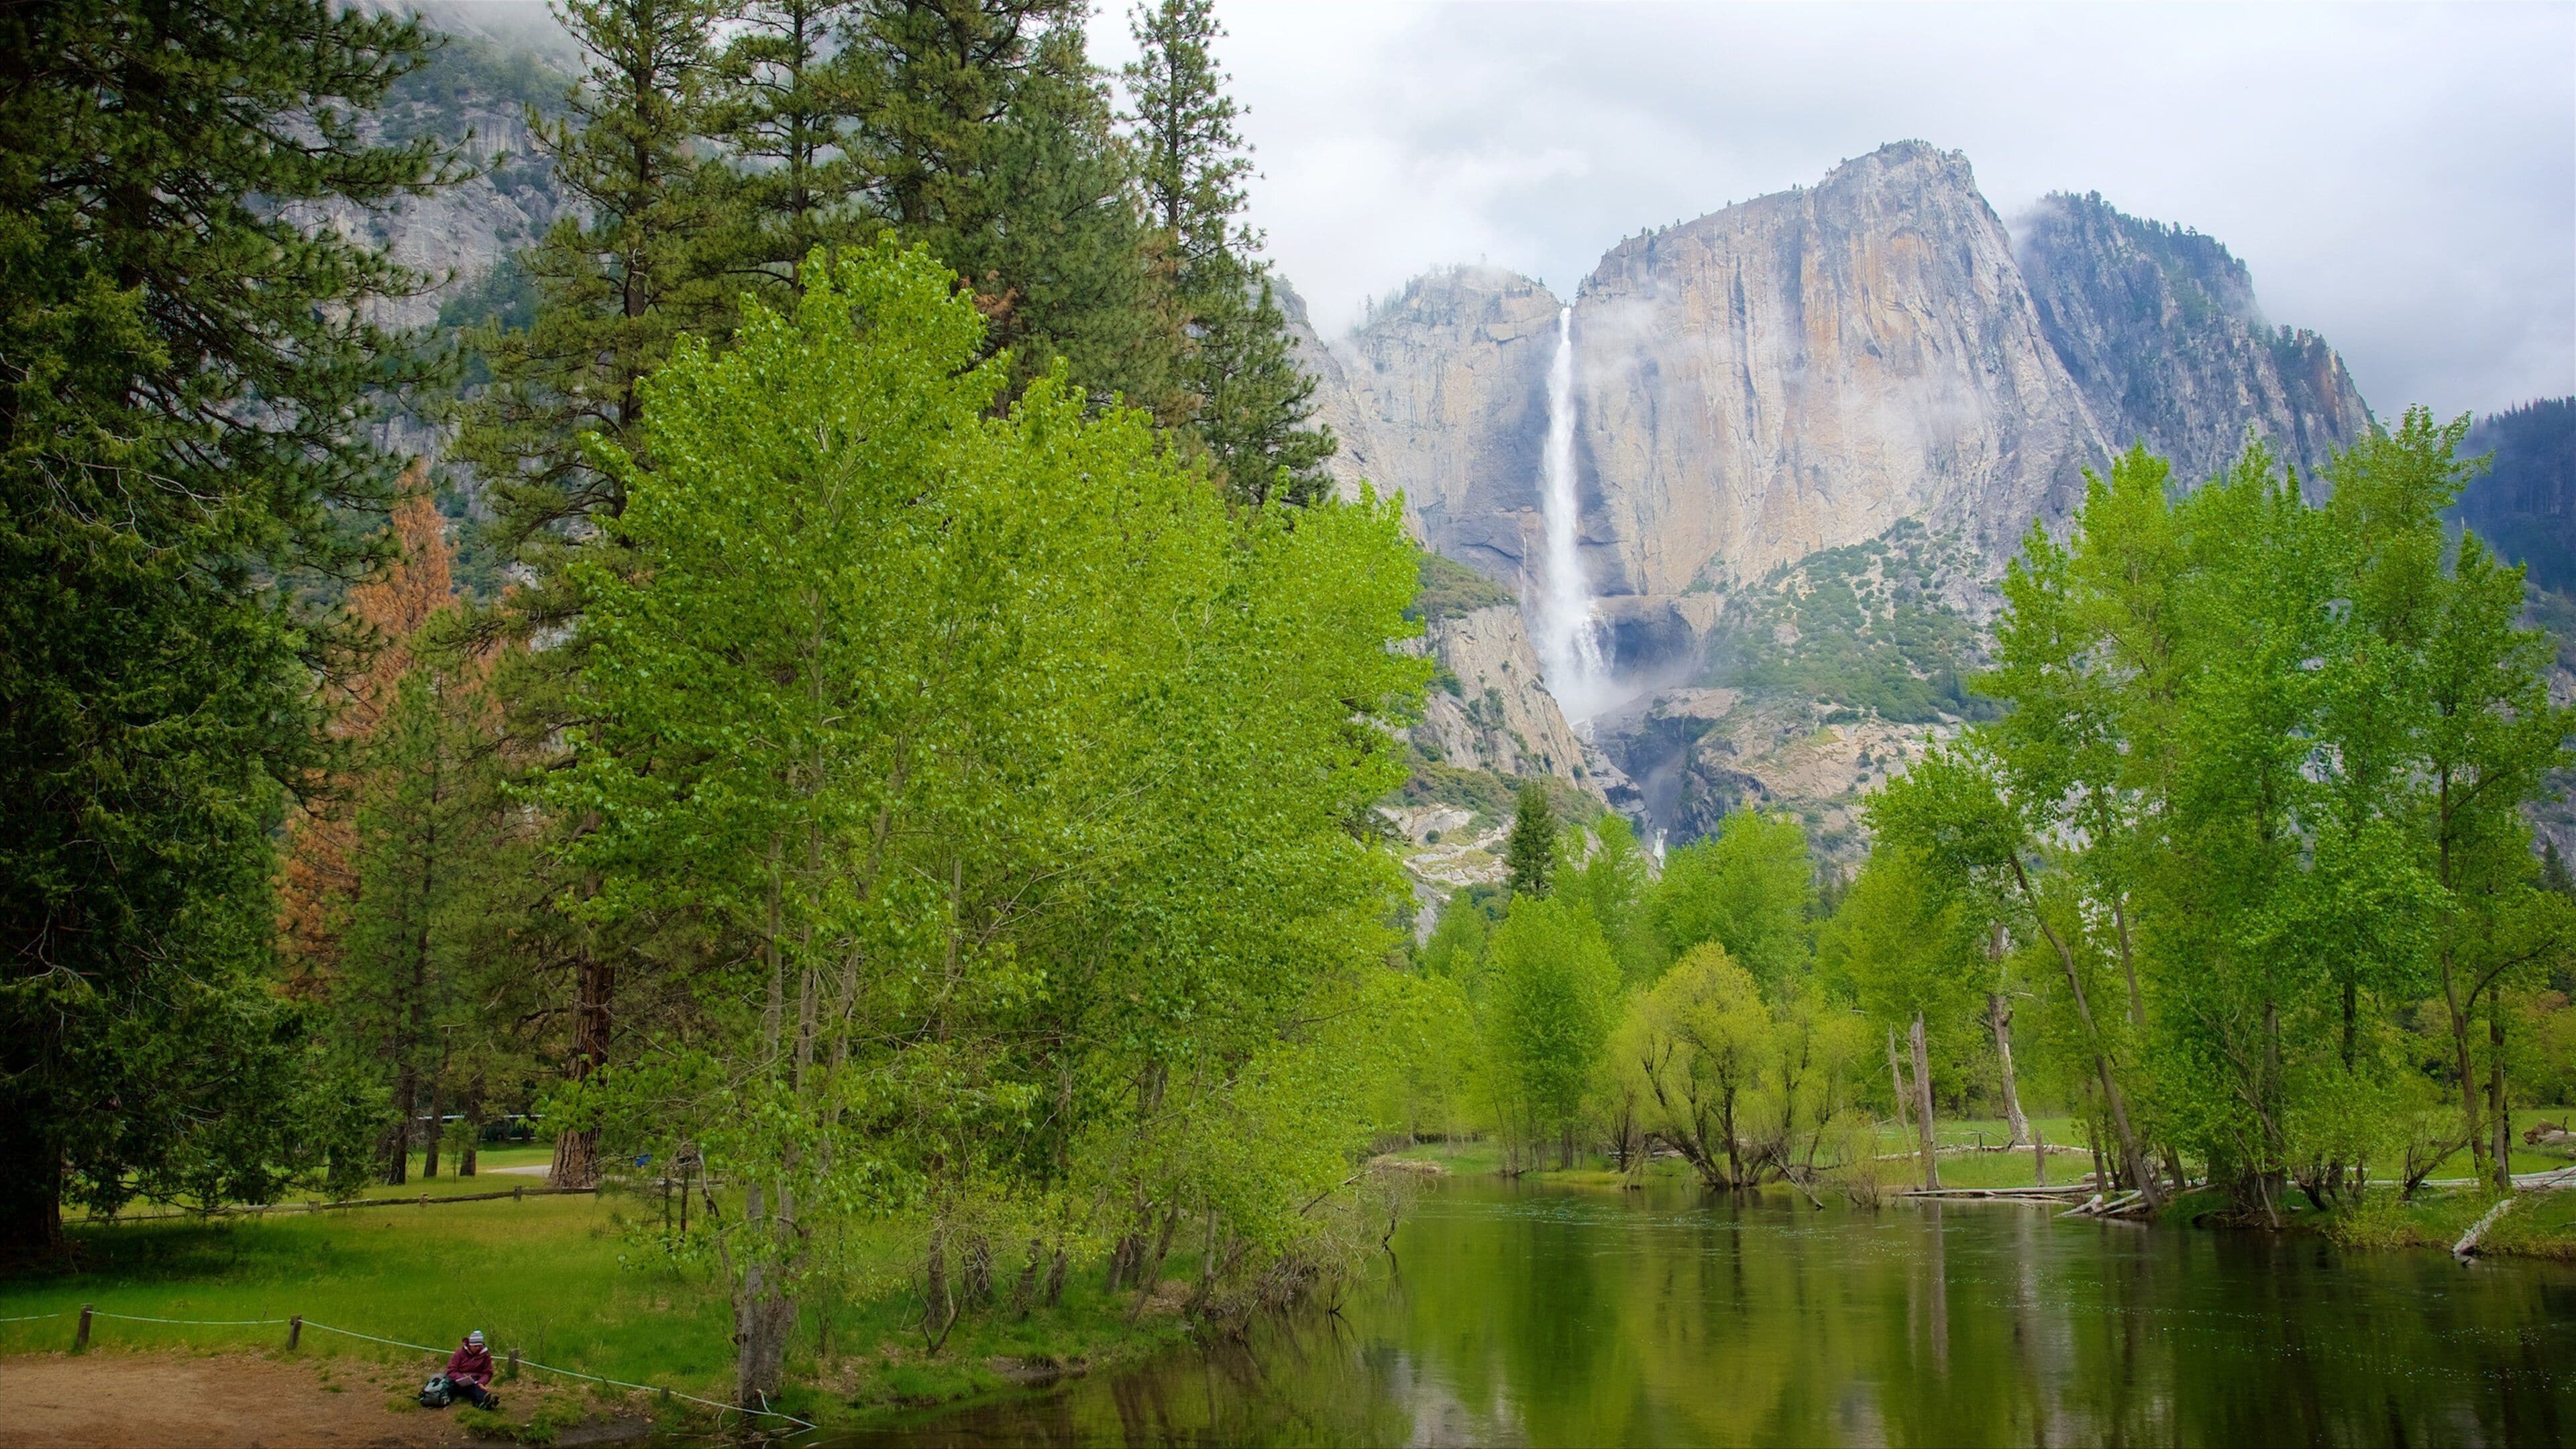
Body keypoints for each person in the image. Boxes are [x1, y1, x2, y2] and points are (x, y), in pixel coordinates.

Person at [443, 1330, 500, 1410]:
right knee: (471, 1387)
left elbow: (488, 1372)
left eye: (479, 1346)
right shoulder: (459, 1353)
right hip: (458, 1382)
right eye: (475, 1346)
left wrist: (482, 1382)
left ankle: (485, 1402)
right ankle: (485, 1400)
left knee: (474, 1387)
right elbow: (451, 1371)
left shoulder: (486, 1355)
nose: (478, 1348)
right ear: (470, 1345)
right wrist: (463, 1378)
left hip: (476, 1381)